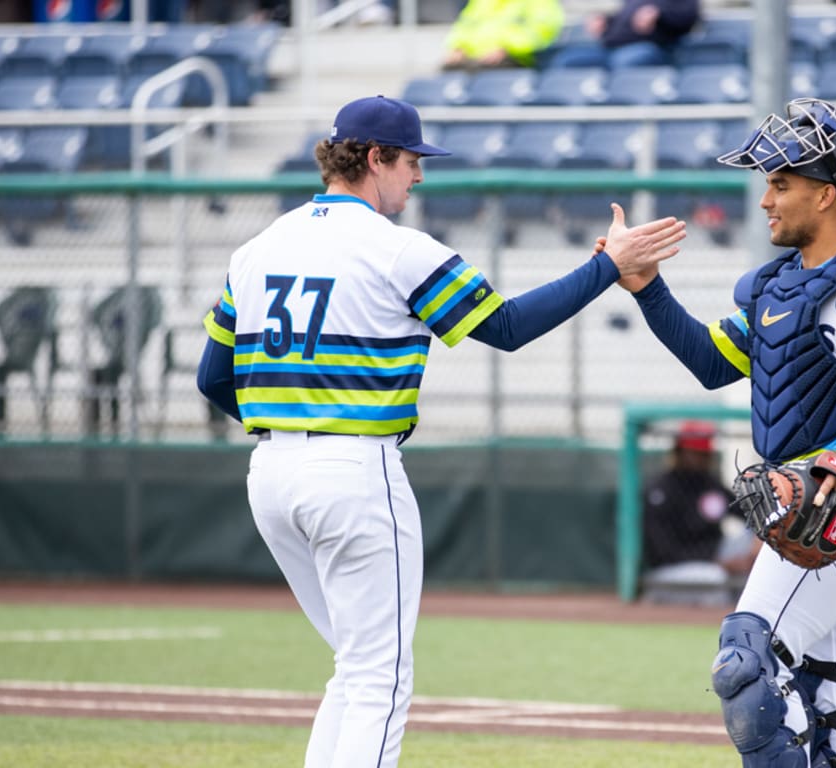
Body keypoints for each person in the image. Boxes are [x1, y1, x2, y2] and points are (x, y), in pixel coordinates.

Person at [195, 95, 685, 768]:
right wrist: (607, 266)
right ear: (375, 158)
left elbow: (212, 378)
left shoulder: (256, 248)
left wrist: (287, 426)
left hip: (271, 475)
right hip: (351, 470)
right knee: (380, 677)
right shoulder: (397, 249)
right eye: (411, 162)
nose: (419, 177)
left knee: (355, 665)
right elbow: (507, 329)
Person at [616, 97, 836, 767]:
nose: (765, 199)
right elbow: (715, 363)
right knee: (822, 692)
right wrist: (648, 288)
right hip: (799, 504)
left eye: (780, 184)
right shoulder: (773, 288)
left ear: (826, 195)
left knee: (747, 661)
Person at [641, 421, 758, 603]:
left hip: (715, 557)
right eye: (695, 453)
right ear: (679, 452)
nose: (701, 458)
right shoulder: (661, 491)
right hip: (671, 570)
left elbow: (744, 513)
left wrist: (756, 545)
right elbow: (664, 552)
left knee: (756, 536)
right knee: (715, 578)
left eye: (704, 453)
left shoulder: (709, 484)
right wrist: (719, 562)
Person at [546, 0, 701, 70]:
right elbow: (623, 20)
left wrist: (660, 15)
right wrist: (605, 22)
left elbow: (688, 17)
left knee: (625, 61)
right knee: (567, 60)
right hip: (610, 49)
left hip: (653, 48)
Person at [441, 0, 564, 70]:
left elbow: (542, 31)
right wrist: (458, 47)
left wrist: (506, 49)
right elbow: (465, 24)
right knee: (449, 70)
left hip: (516, 59)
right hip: (477, 59)